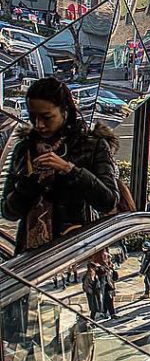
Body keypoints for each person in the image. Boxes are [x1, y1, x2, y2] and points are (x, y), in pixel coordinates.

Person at [3, 77, 120, 253]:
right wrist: (31, 181)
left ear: (65, 111)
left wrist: (69, 169)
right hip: (29, 256)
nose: (39, 125)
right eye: (33, 117)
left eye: (46, 117)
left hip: (75, 251)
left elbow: (108, 201)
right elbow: (8, 212)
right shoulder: (24, 149)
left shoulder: (91, 146)